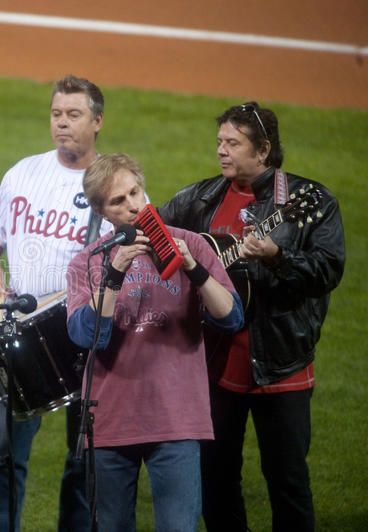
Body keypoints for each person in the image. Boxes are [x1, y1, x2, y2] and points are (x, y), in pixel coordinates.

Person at [159, 102, 345, 531]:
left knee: (287, 481)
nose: (221, 150)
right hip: (216, 364)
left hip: (280, 364)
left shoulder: (309, 200)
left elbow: (327, 271)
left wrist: (278, 256)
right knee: (216, 478)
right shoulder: (201, 197)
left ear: (263, 150)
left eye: (233, 143)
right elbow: (159, 233)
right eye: (219, 141)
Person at [65, 153, 244, 530]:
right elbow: (87, 336)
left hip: (178, 418)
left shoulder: (191, 244)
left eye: (135, 192)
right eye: (118, 201)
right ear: (101, 211)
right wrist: (115, 273)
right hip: (112, 419)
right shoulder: (88, 262)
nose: (133, 205)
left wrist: (193, 269)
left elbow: (231, 317)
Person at [0, 74, 113, 532]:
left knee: (85, 458)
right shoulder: (23, 173)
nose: (62, 123)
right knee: (2, 454)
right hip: (21, 333)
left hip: (89, 339)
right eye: (56, 114)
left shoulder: (116, 185)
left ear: (97, 121)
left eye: (73, 114)